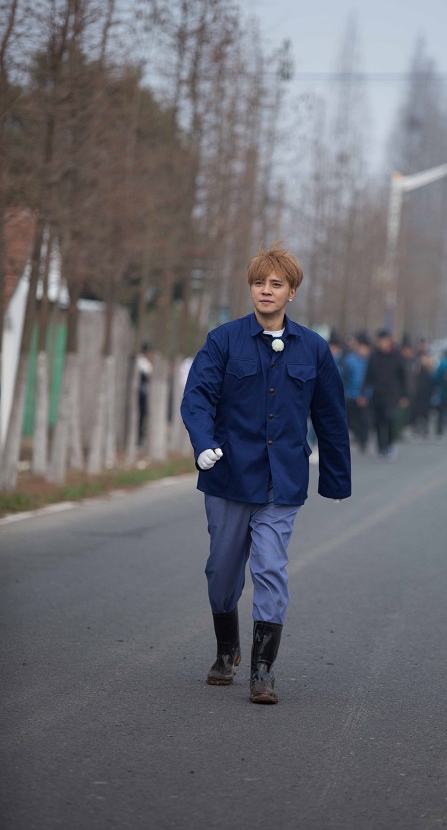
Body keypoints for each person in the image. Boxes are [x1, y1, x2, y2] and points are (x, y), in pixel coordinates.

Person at [180, 242, 351, 705]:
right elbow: (196, 399)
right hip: (228, 477)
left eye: (276, 284)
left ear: (292, 291)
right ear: (251, 288)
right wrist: (204, 445)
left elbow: (331, 417)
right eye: (259, 283)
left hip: (283, 482)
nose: (266, 291)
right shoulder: (223, 341)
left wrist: (335, 478)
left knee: (271, 568)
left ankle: (262, 671)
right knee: (222, 571)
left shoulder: (313, 349)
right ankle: (226, 650)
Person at [361, 329, 407, 460]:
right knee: (378, 422)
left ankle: (390, 445)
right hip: (377, 395)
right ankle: (381, 447)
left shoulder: (396, 356)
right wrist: (363, 393)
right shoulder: (374, 356)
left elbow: (403, 376)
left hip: (392, 395)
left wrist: (404, 395)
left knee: (390, 419)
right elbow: (367, 376)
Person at [343, 332, 371, 452]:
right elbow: (344, 377)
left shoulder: (371, 361)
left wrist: (366, 395)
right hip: (350, 395)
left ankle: (363, 441)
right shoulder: (350, 360)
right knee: (351, 419)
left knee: (365, 420)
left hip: (366, 396)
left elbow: (372, 379)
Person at [137, 342, 153, 446]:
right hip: (140, 395)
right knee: (140, 416)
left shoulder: (144, 362)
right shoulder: (141, 362)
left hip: (144, 394)